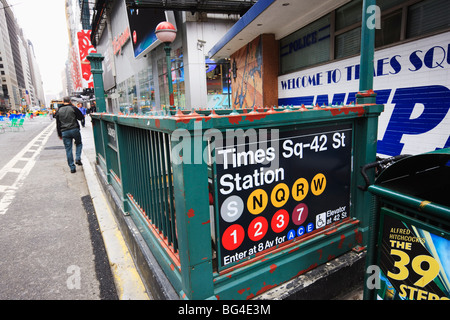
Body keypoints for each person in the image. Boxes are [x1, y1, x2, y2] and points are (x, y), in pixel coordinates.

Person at [56, 97, 84, 173]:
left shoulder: (59, 110)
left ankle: (72, 168)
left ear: (63, 101)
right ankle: (77, 158)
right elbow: (80, 117)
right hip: (74, 129)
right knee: (79, 143)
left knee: (68, 149)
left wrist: (59, 134)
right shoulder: (73, 108)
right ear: (70, 101)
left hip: (64, 131)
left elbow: (58, 123)